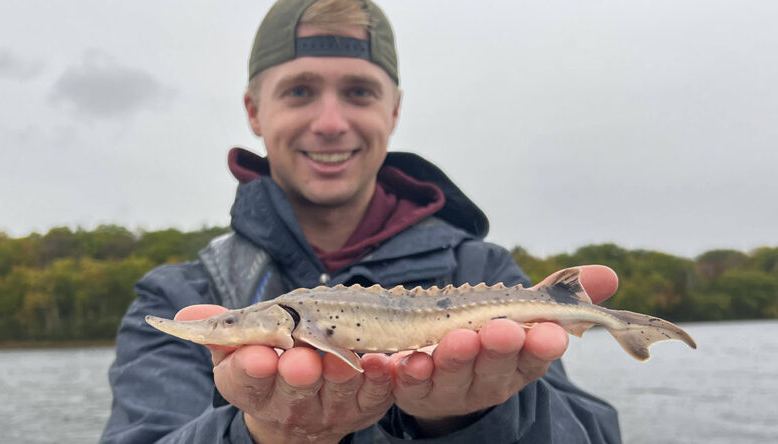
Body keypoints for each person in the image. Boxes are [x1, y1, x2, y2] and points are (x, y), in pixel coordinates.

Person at [101, 0, 622, 442]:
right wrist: (258, 436)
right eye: (299, 91)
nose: (330, 123)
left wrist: (475, 416)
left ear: (393, 111)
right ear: (254, 110)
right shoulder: (175, 295)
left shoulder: (483, 266)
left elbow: (596, 431)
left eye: (358, 92)